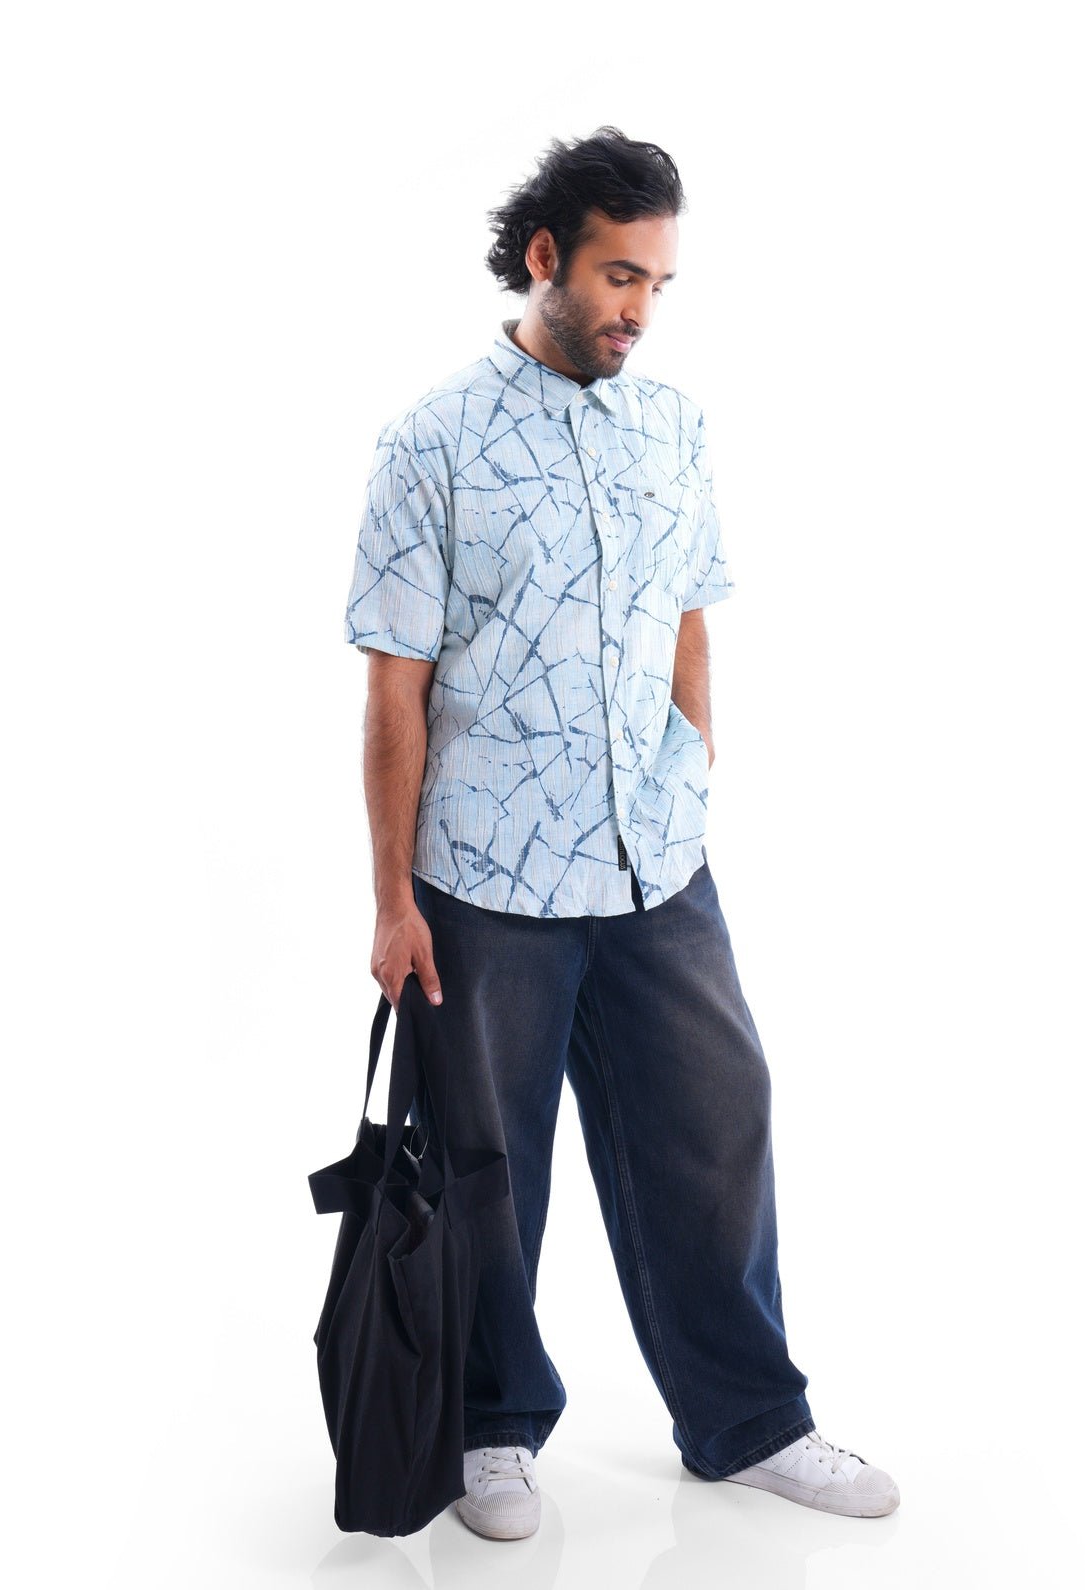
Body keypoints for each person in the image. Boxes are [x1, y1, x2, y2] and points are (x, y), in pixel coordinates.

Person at [343, 125, 900, 1540]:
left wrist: (693, 762)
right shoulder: (431, 441)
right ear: (545, 257)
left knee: (720, 1116)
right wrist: (394, 899)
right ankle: (490, 1426)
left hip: (657, 861)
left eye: (658, 282)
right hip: (488, 875)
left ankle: (748, 1420)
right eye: (617, 276)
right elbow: (396, 690)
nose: (639, 308)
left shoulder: (675, 426)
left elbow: (689, 610)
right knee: (489, 1161)